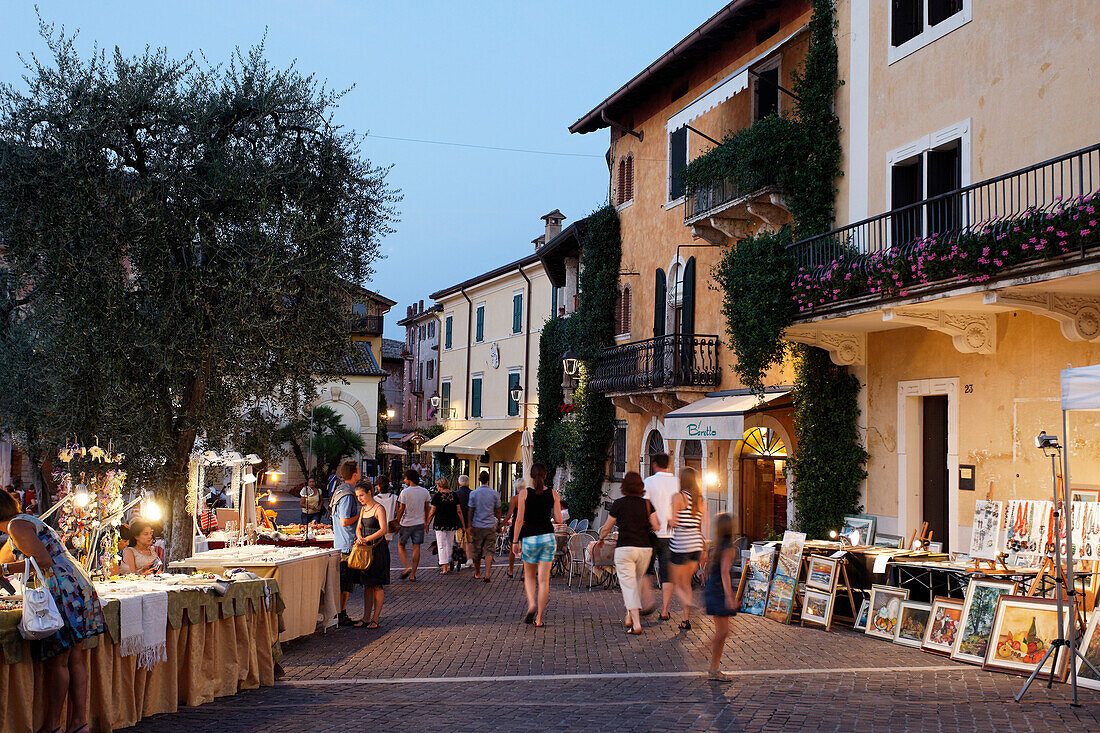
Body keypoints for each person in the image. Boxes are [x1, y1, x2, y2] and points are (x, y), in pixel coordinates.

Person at [0, 489, 106, 733]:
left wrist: (5, 569)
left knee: (58, 662)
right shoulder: (22, 524)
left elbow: (43, 561)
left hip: (61, 591)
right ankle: (79, 723)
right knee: (74, 659)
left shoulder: (17, 526)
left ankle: (52, 726)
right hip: (74, 586)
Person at [594, 472, 660, 634]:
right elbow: (657, 526)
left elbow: (607, 526)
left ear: (624, 486)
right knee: (635, 584)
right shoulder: (647, 504)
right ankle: (629, 616)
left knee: (629, 586)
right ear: (640, 486)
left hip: (625, 549)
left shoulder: (619, 503)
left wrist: (601, 537)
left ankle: (636, 624)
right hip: (644, 549)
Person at [511, 463, 562, 627]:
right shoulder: (553, 494)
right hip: (547, 537)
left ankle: (532, 603)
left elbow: (519, 520)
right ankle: (539, 618)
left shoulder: (524, 494)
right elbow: (560, 519)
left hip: (530, 538)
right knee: (544, 580)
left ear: (531, 477)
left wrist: (514, 541)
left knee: (530, 576)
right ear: (545, 476)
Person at [668, 467, 709, 631]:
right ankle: (685, 620)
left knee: (677, 582)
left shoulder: (678, 497)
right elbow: (703, 527)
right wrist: (705, 549)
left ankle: (688, 602)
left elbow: (673, 522)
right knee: (687, 583)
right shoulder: (701, 500)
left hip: (680, 544)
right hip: (696, 545)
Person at [642, 453, 679, 620]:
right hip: (671, 533)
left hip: (651, 532)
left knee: (646, 570)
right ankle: (665, 609)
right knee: (667, 573)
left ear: (655, 464)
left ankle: (648, 602)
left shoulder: (649, 482)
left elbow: (645, 506)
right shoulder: (677, 482)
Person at [704, 513, 738, 680]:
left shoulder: (717, 546)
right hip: (719, 590)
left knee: (724, 631)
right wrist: (729, 595)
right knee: (724, 631)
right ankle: (713, 668)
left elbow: (709, 569)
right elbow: (725, 572)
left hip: (712, 588)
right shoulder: (728, 548)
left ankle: (713, 665)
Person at [353, 483, 390, 629]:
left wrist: (366, 539)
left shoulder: (379, 508)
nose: (360, 499)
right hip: (366, 550)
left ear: (369, 493)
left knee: (376, 585)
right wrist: (360, 537)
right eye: (357, 496)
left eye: (361, 495)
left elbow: (383, 529)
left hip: (377, 550)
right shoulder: (363, 509)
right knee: (367, 585)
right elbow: (358, 528)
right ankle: (366, 617)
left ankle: (375, 618)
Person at [331, 460, 363, 626]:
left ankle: (340, 612)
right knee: (345, 582)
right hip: (347, 543)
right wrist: (361, 515)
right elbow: (344, 521)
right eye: (358, 470)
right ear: (354, 474)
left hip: (341, 541)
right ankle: (341, 613)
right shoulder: (348, 495)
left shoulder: (339, 490)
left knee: (345, 581)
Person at [395, 469, 431, 581]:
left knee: (401, 545)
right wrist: (426, 523)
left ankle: (407, 566)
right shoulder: (425, 492)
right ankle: (413, 574)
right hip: (419, 522)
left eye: (405, 478)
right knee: (416, 547)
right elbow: (426, 509)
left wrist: (397, 521)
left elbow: (401, 509)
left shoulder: (405, 492)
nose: (404, 480)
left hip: (406, 523)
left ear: (409, 479)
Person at [426, 477, 466, 574]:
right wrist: (463, 525)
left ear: (439, 485)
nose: (437, 487)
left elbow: (432, 512)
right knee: (449, 544)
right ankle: (447, 564)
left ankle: (444, 567)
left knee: (441, 545)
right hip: (452, 523)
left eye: (437, 485)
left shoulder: (437, 496)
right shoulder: (454, 495)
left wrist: (427, 523)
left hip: (440, 523)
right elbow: (459, 511)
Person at [468, 470, 501, 582]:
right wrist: (499, 524)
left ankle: (477, 573)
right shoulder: (494, 493)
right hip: (490, 525)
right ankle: (487, 574)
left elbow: (471, 510)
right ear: (489, 479)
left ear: (479, 480)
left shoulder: (474, 493)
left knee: (476, 550)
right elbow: (498, 510)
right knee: (489, 550)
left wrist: (469, 525)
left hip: (477, 525)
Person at [501, 480, 525, 578]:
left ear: (516, 488)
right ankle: (524, 573)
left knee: (512, 548)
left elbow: (509, 514)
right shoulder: (528, 498)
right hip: (526, 525)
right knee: (526, 549)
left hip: (515, 525)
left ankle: (511, 571)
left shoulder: (515, 499)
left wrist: (501, 524)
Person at [455, 474, 474, 568]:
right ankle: (470, 559)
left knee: (461, 541)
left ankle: (462, 560)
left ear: (459, 483)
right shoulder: (472, 493)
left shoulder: (456, 494)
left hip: (459, 522)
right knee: (470, 541)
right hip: (471, 522)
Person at [373, 475, 398, 542]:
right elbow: (398, 513)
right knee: (386, 547)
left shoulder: (374, 499)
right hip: (389, 527)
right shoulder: (394, 498)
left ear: (378, 486)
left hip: (377, 527)